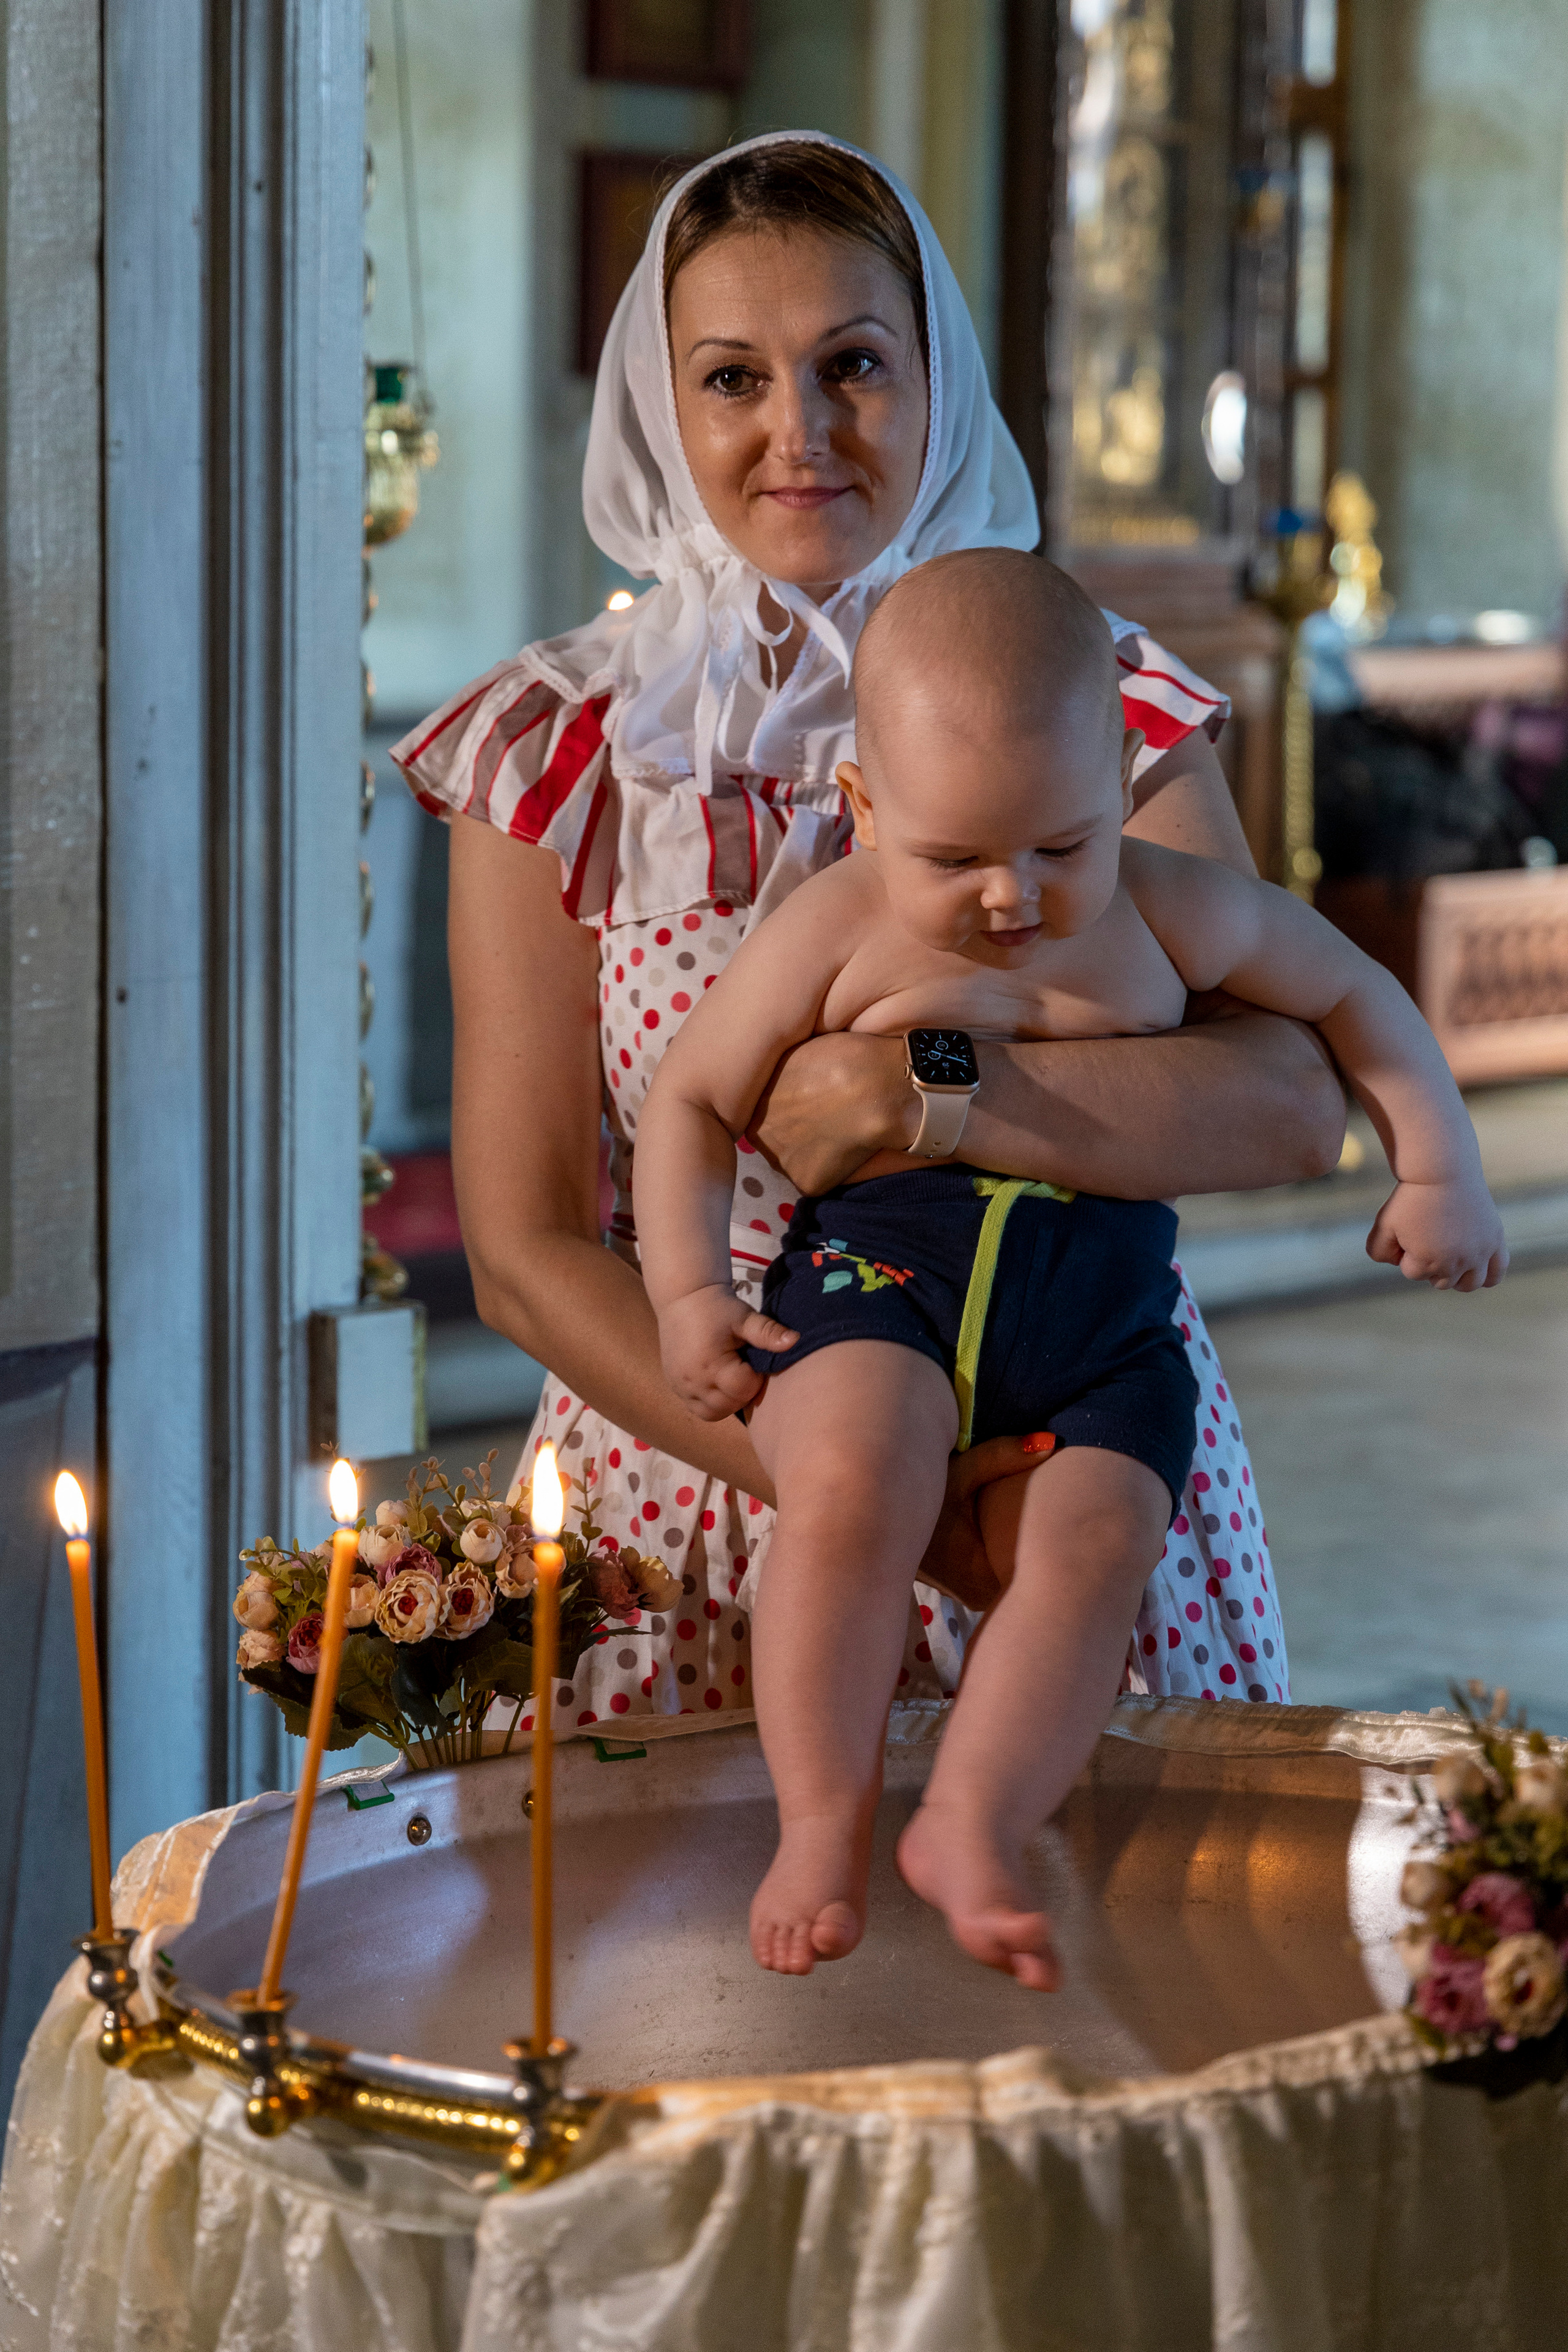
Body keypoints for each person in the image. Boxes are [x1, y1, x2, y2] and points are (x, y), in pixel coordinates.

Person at [393, 130, 1344, 1743]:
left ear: (935, 376)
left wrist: (929, 1096)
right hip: (699, 1500)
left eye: (853, 365)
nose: (800, 432)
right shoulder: (557, 747)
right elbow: (529, 1253)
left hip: (1068, 1483)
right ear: (662, 403)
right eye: (732, 379)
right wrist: (858, 1484)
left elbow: (1287, 1106)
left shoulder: (1089, 694)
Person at [635, 549, 1507, 1983]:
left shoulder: (1164, 905)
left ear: (1116, 779)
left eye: (1059, 846)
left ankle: (972, 1820)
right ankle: (819, 1822)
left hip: (1106, 1321)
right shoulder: (837, 921)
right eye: (953, 859)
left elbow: (1352, 996)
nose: (1010, 896)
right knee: (848, 1488)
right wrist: (687, 1297)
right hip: (884, 1281)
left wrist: (1438, 1170)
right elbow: (688, 1096)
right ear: (864, 808)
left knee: (1097, 1551)